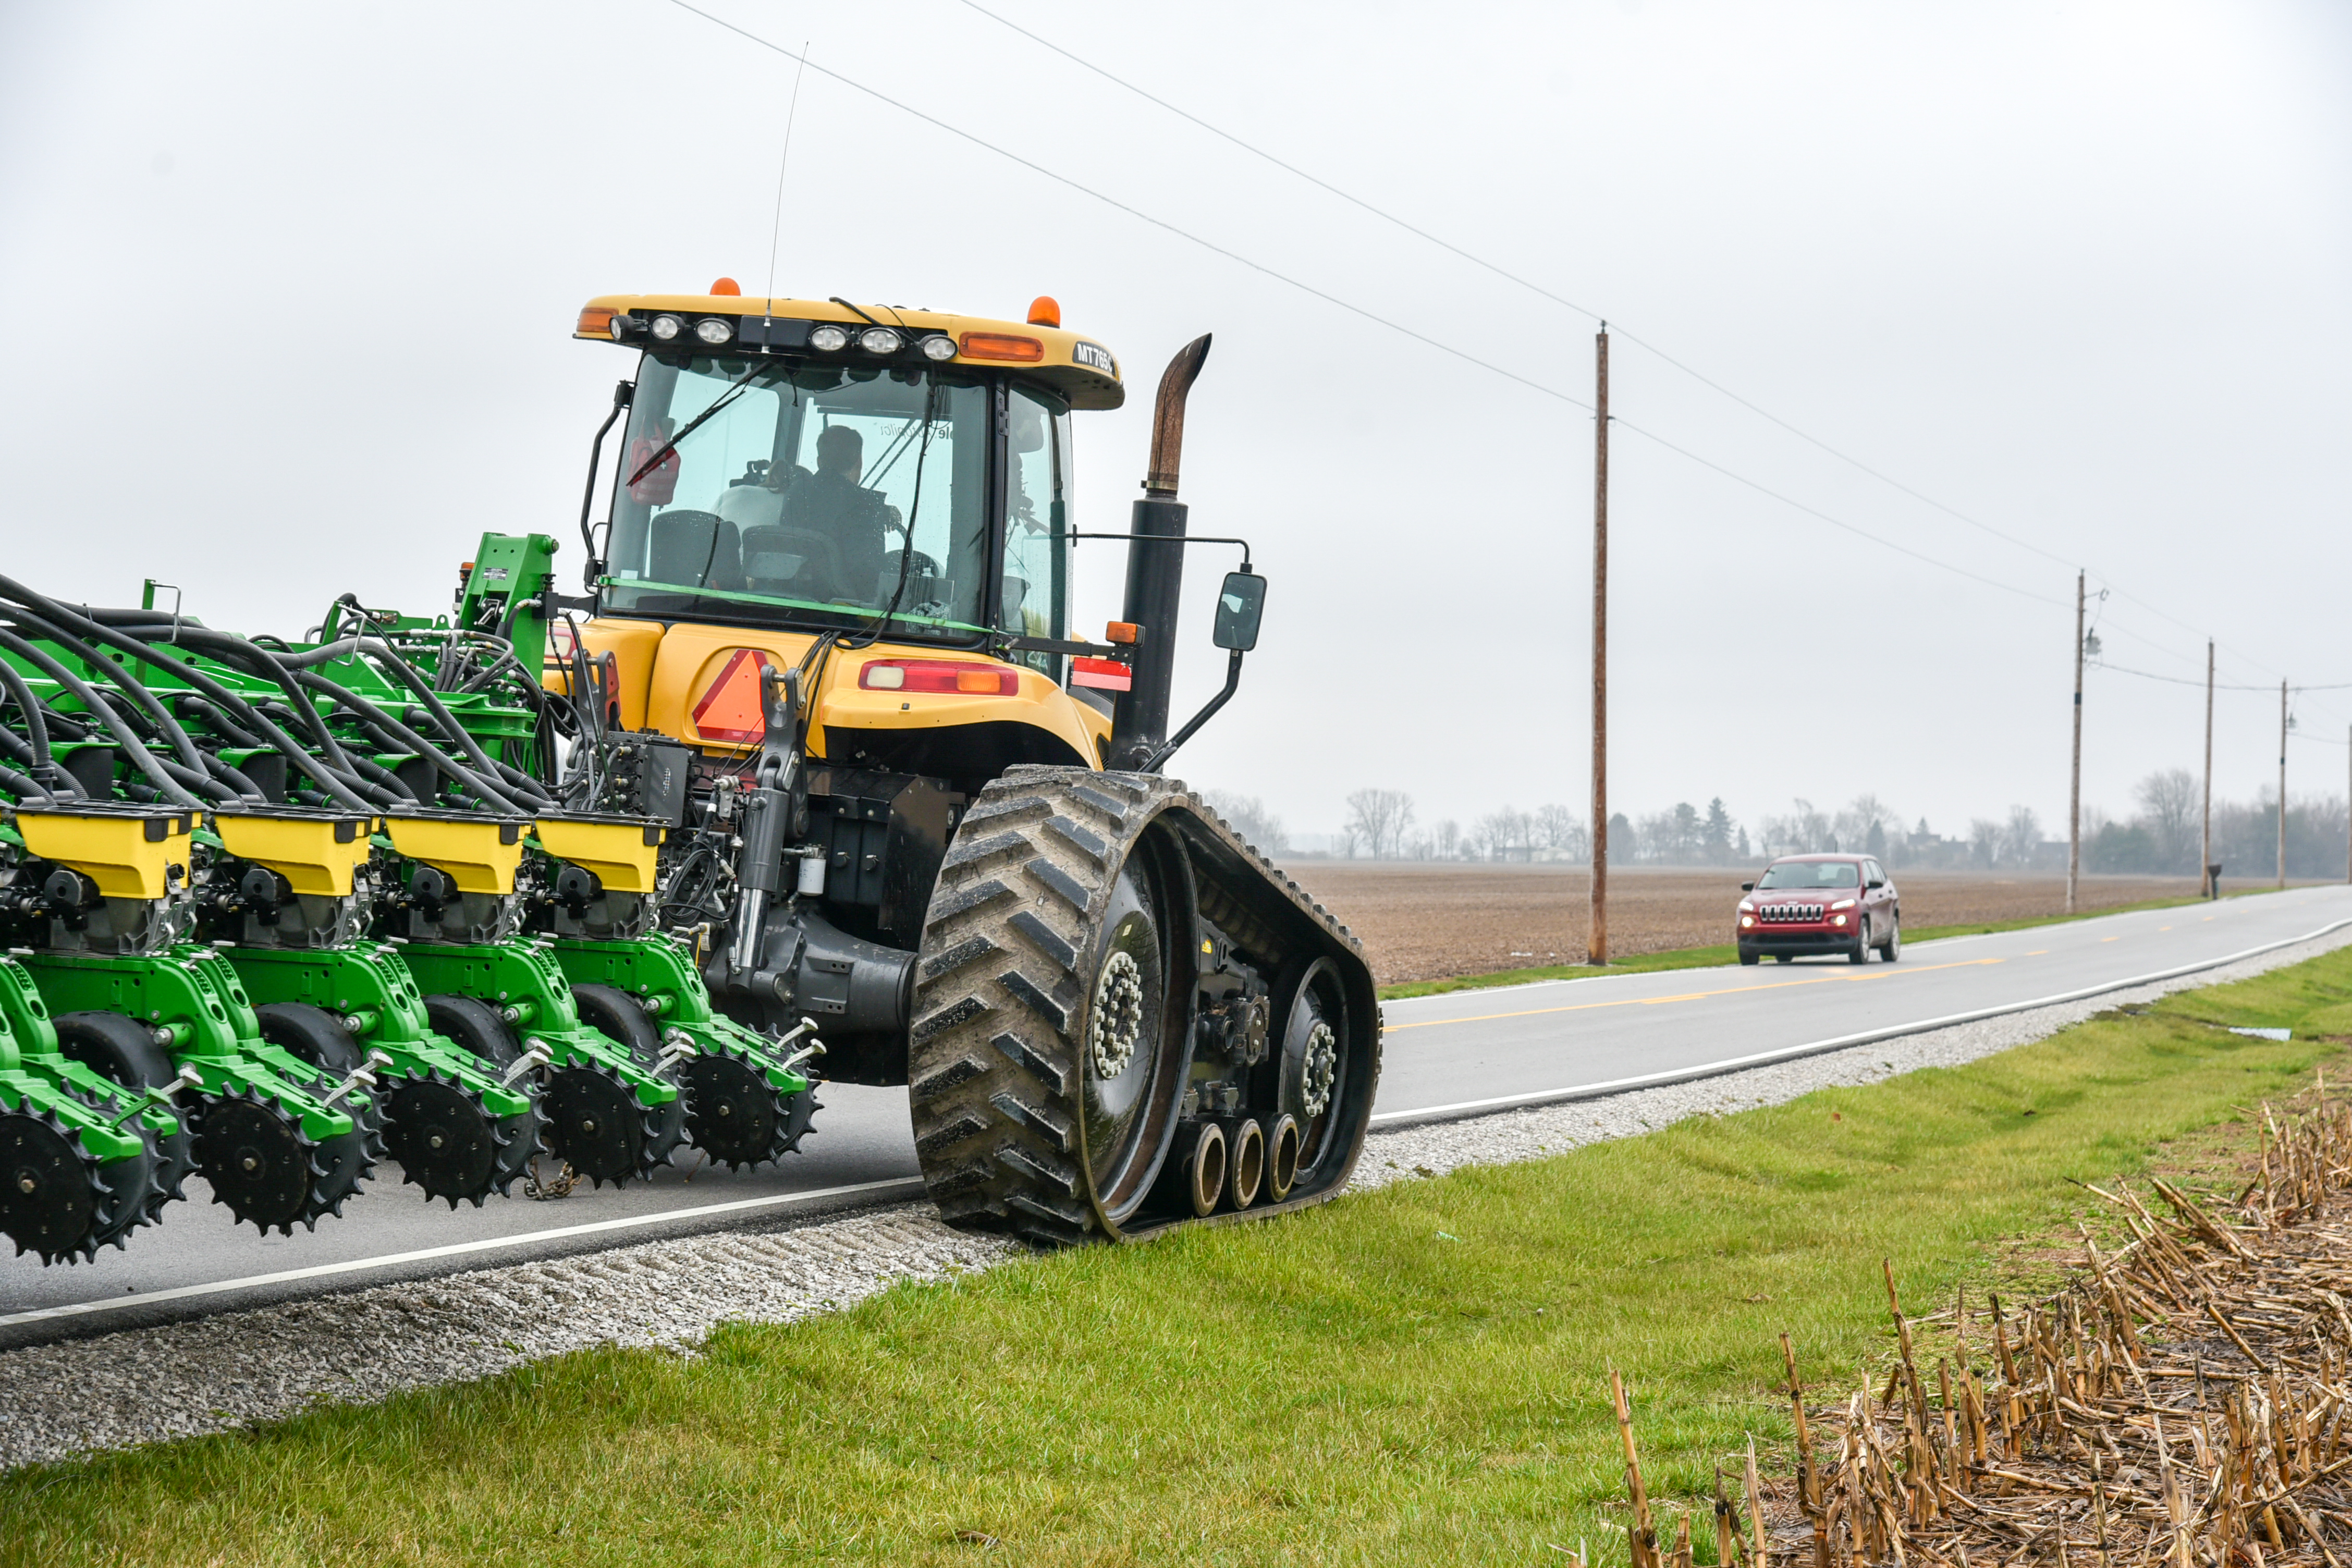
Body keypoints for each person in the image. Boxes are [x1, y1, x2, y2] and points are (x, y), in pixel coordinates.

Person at [786, 424, 891, 602]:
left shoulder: (795, 492)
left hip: (788, 598)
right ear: (859, 461)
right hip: (839, 612)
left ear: (820, 462)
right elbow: (868, 578)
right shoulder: (866, 505)